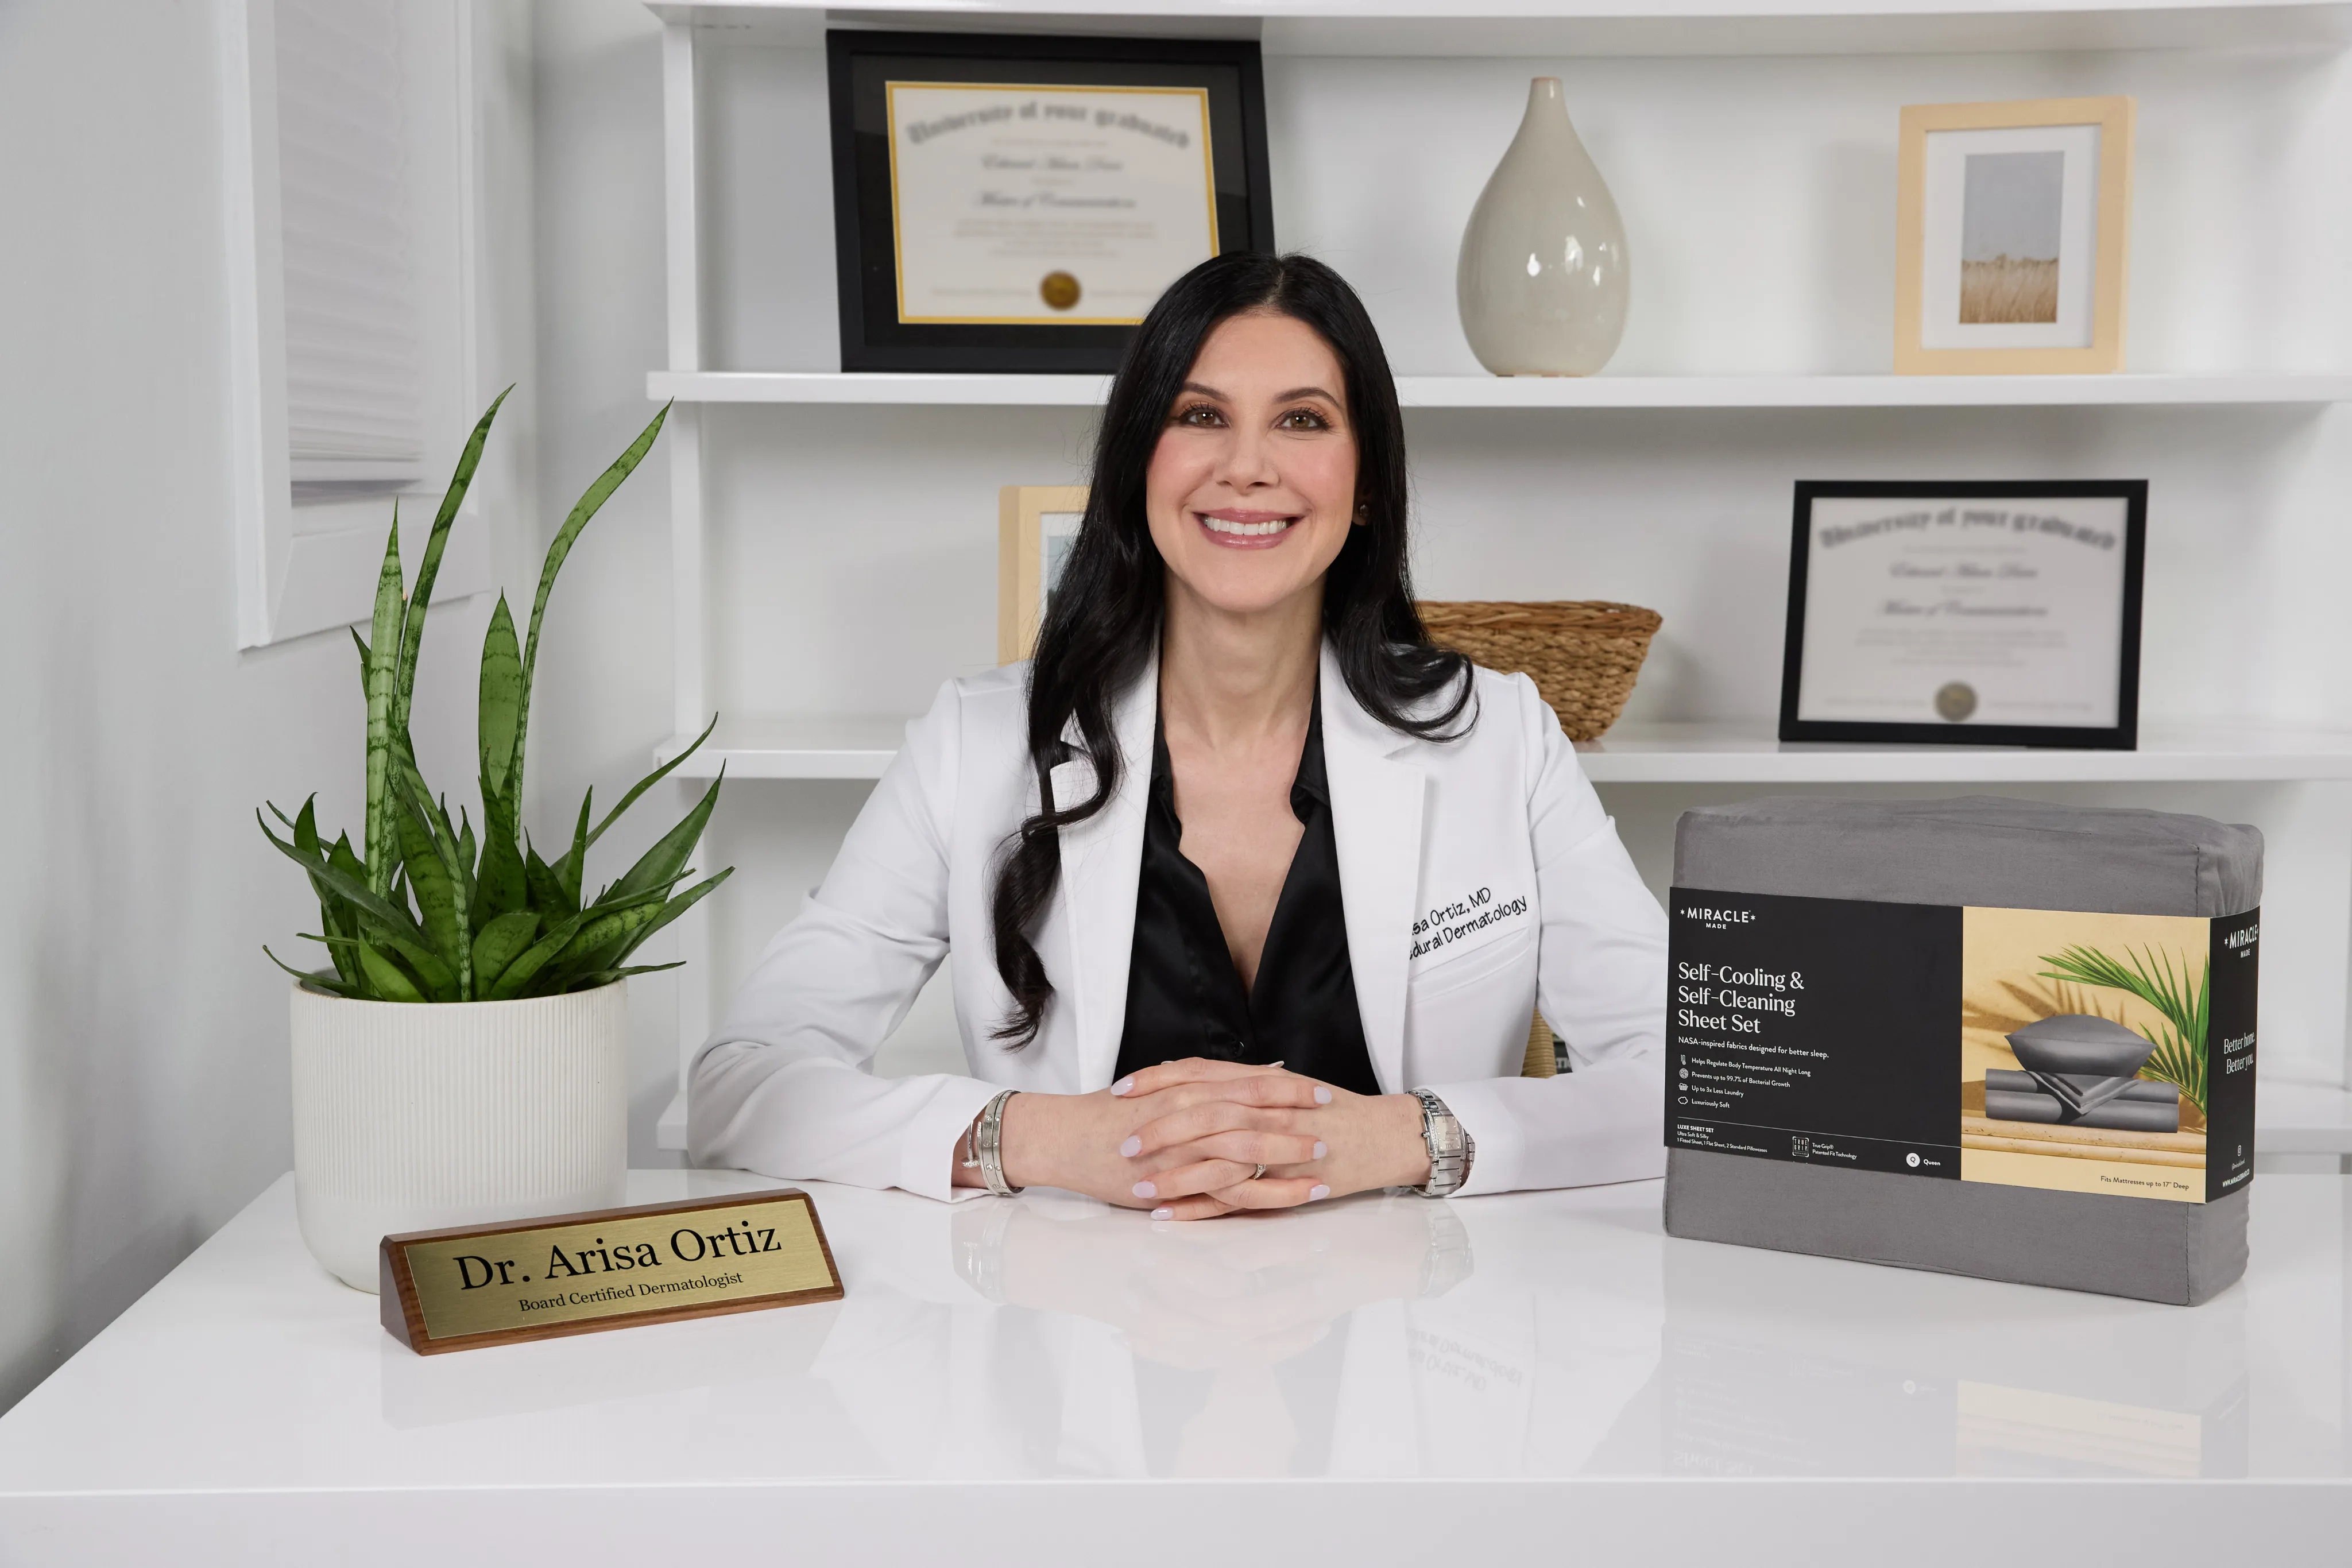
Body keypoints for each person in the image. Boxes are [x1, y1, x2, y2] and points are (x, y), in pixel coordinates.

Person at [691, 251, 1666, 1219]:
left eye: (1302, 420)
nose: (1247, 466)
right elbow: (739, 1084)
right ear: (1138, 464)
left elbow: (1694, 1080)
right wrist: (1041, 1139)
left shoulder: (1502, 738)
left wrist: (1407, 1137)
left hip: (1423, 1310)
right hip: (1068, 1310)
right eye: (1201, 416)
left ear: (1366, 480)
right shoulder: (973, 744)